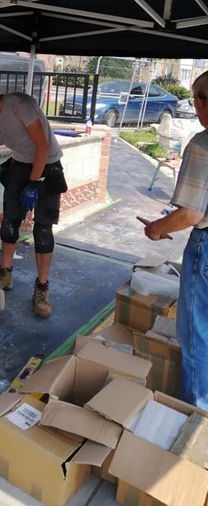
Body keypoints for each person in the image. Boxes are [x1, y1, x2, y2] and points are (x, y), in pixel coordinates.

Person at [0, 77, 67, 317]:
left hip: (47, 165)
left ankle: (42, 287)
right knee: (10, 223)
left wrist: (34, 183)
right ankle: (5, 274)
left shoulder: (19, 104)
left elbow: (43, 146)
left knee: (43, 230)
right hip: (20, 163)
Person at [143, 70, 208, 411]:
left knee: (197, 338)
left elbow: (191, 215)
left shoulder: (202, 144)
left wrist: (155, 228)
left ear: (200, 102)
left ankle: (197, 424)